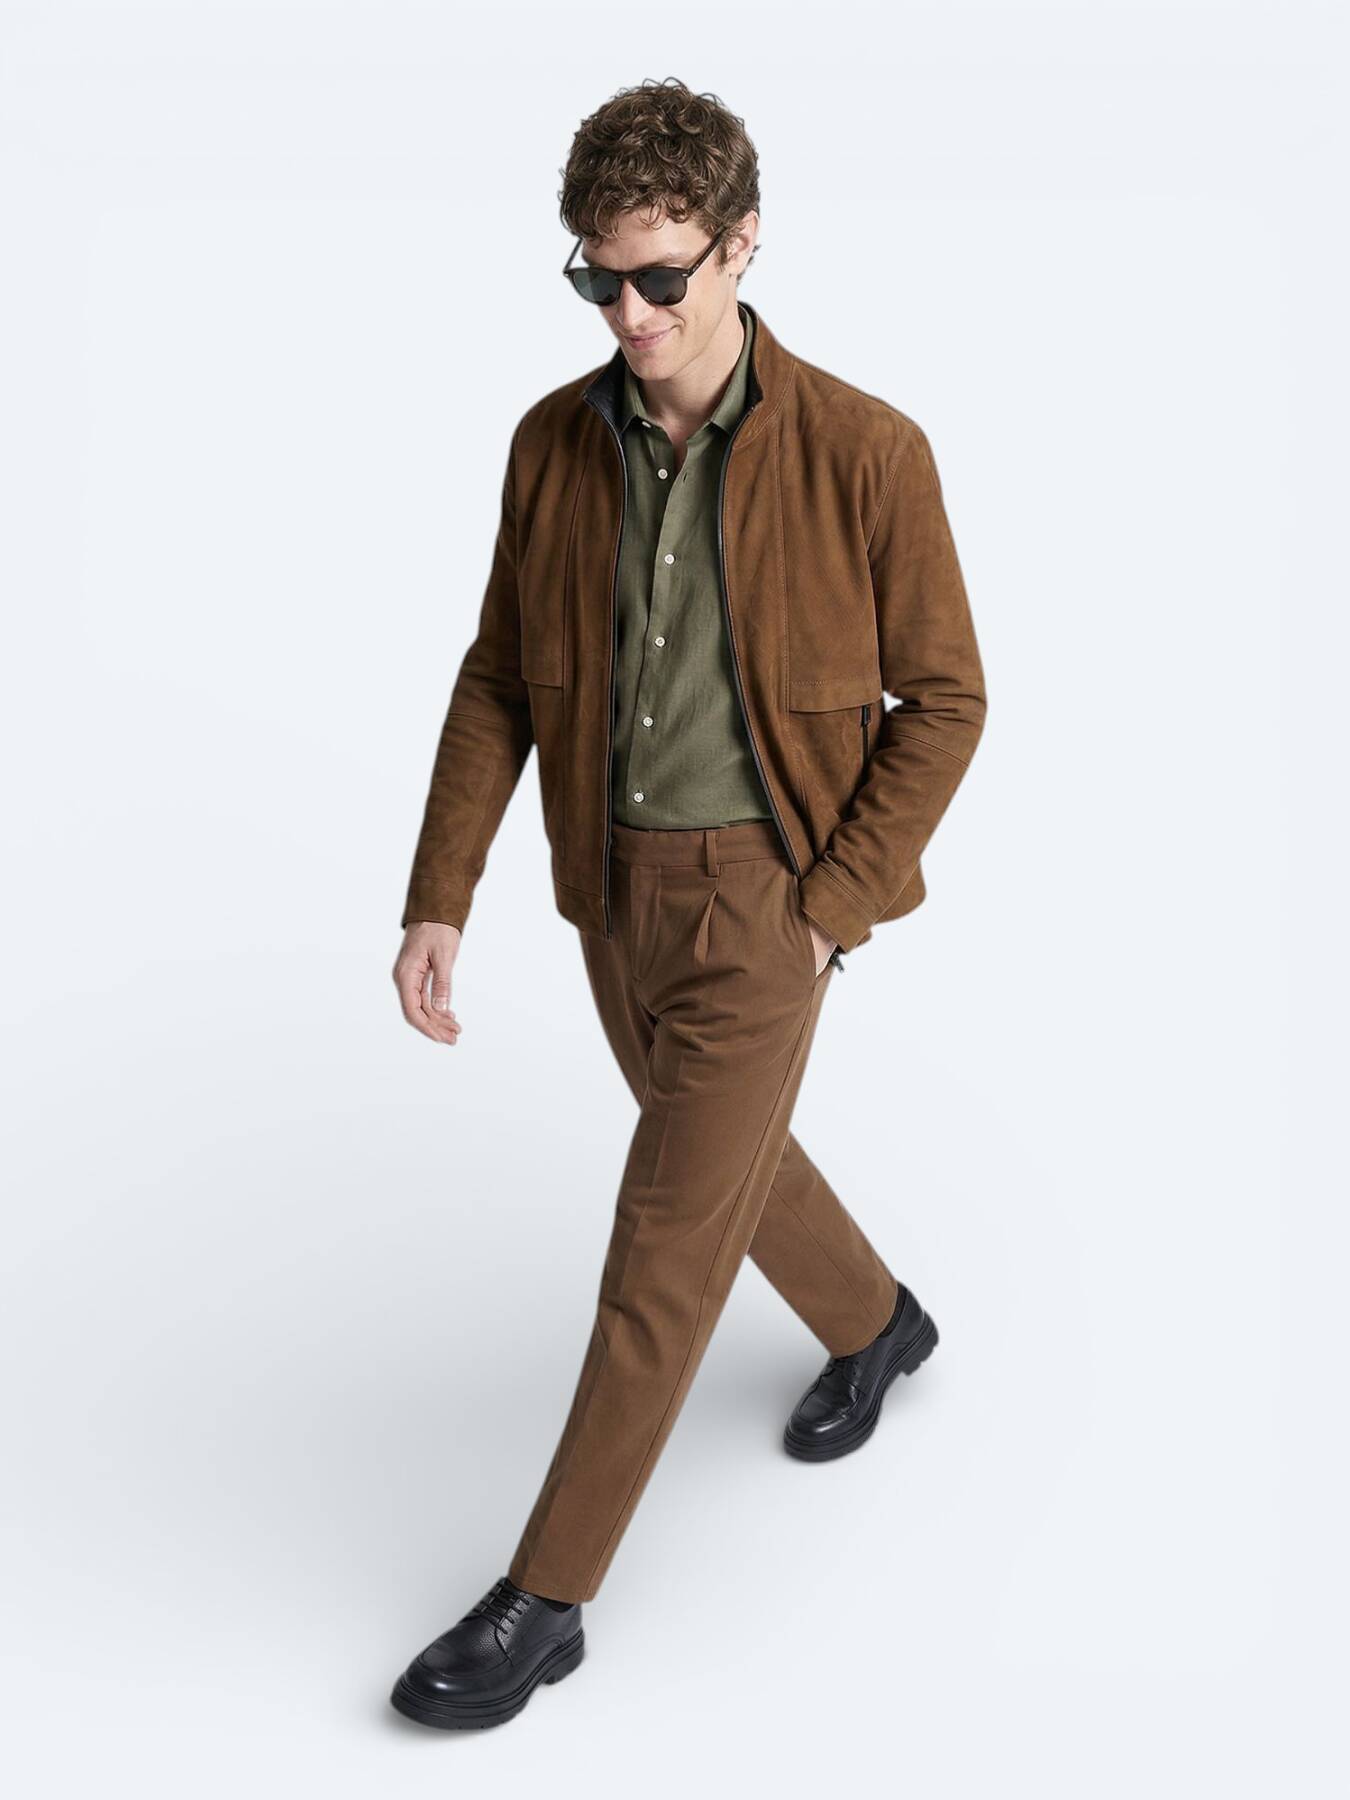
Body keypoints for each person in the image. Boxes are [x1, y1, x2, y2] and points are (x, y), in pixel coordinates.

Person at [387, 76, 986, 1731]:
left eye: (661, 275)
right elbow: (500, 677)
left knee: (659, 1254)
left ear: (741, 245)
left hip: (765, 902)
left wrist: (828, 904)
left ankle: (543, 1599)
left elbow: (946, 698)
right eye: (598, 277)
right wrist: (441, 896)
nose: (629, 313)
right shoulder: (551, 442)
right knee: (722, 1162)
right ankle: (877, 1324)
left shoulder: (865, 450)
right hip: (609, 895)